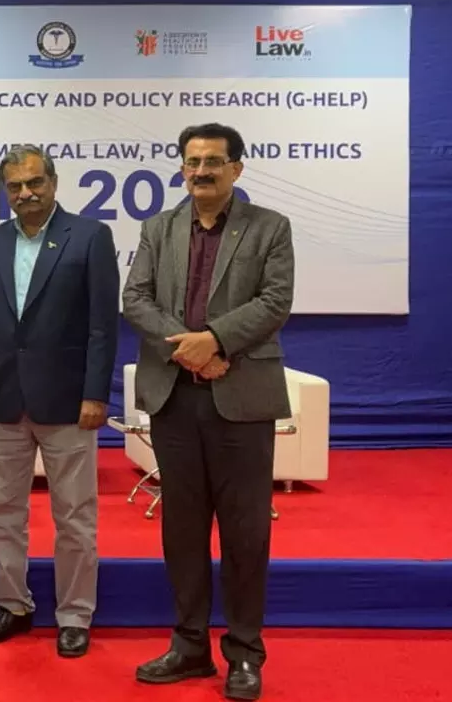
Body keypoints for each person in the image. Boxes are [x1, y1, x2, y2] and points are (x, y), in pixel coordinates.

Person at [123, 123, 293, 701]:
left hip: (241, 396)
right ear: (181, 168)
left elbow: (275, 301)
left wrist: (215, 341)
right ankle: (189, 645)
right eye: (192, 162)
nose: (201, 171)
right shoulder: (158, 227)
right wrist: (189, 348)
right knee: (183, 529)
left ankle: (244, 652)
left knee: (245, 531)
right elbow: (135, 298)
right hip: (175, 396)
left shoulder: (270, 226)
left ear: (236, 169)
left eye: (213, 162)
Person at [0, 145, 119, 657]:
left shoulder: (90, 236)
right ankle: (13, 604)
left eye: (34, 183)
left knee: (74, 516)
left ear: (53, 182)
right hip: (3, 397)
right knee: (3, 511)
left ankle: (74, 614)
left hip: (69, 401)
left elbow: (102, 326)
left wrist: (96, 393)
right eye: (15, 186)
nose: (25, 193)